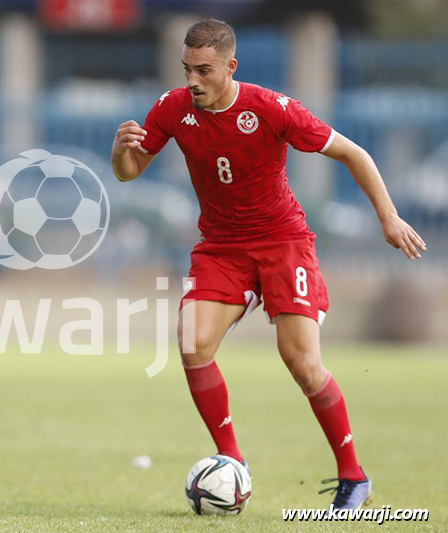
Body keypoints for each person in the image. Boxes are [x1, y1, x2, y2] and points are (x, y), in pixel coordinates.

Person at [111, 19, 426, 511]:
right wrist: (120, 153)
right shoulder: (173, 108)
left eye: (204, 70)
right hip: (221, 247)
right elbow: (130, 173)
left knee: (301, 362)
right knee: (192, 343)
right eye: (186, 69)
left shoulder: (272, 109)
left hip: (283, 243)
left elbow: (354, 153)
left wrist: (389, 219)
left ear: (230, 66)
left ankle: (353, 477)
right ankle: (233, 461)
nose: (192, 80)